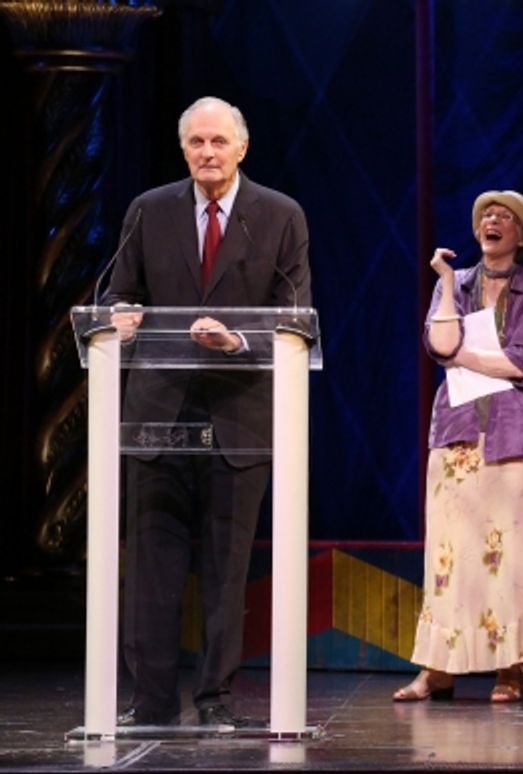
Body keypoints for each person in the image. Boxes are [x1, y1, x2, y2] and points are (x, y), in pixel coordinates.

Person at [104, 96, 312, 727]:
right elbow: (118, 290)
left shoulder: (278, 216)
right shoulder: (149, 210)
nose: (207, 153)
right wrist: (122, 318)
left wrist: (237, 338)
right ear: (183, 149)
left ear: (241, 148)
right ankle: (151, 699)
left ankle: (216, 698)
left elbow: (297, 315)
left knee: (227, 569)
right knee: (150, 568)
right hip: (156, 415)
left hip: (238, 417)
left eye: (218, 142)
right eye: (196, 142)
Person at [392, 190, 523, 704]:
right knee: (447, 555)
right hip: (457, 430)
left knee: (509, 558)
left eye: (505, 217)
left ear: (520, 236)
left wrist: (463, 354)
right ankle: (437, 669)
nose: (493, 221)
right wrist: (442, 284)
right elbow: (438, 346)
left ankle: (510, 668)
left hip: (513, 433)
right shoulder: (455, 286)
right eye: (486, 215)